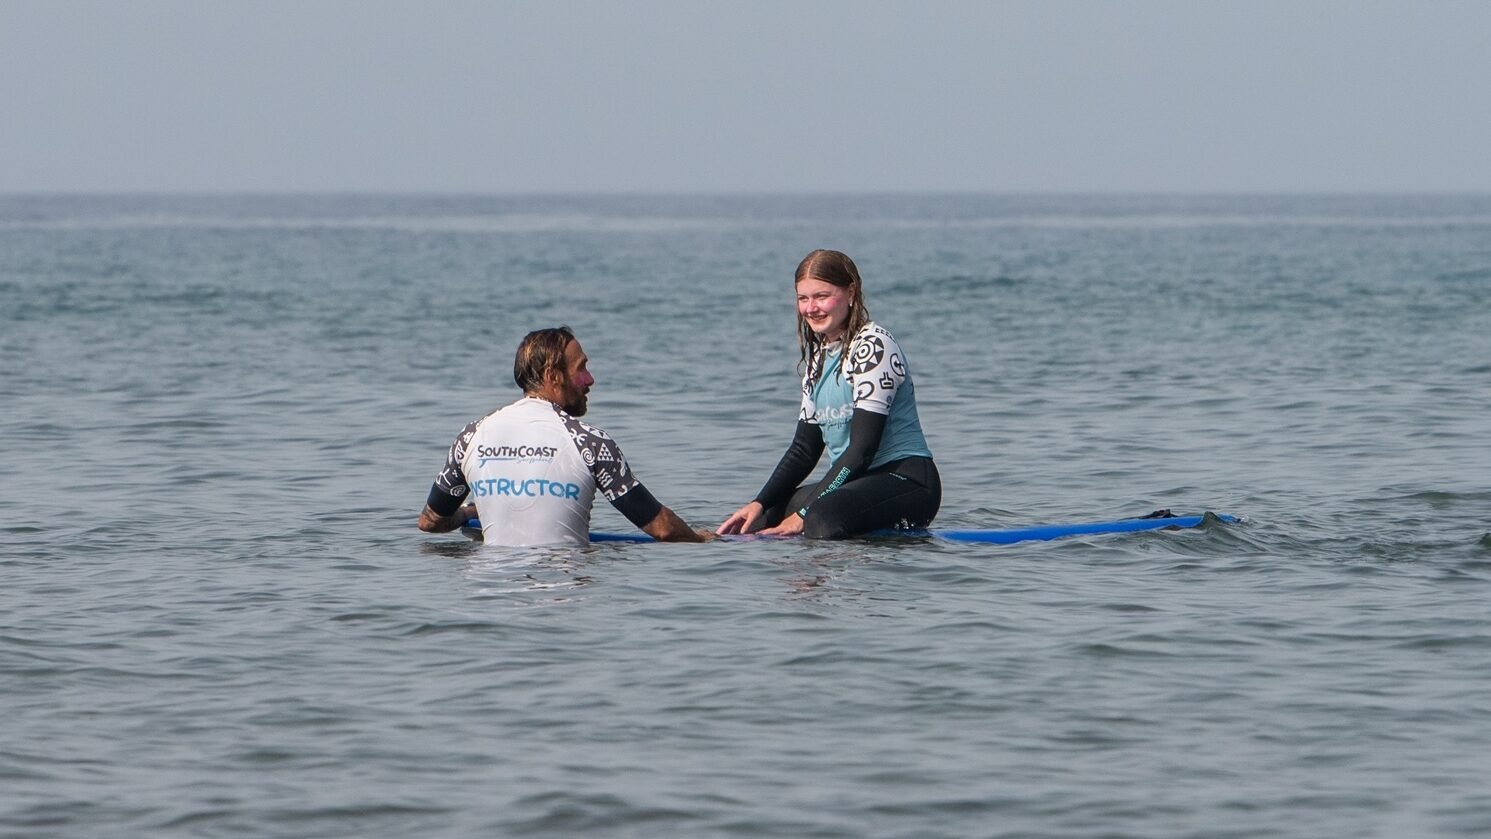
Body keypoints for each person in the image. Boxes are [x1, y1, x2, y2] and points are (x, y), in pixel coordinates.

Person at [718, 249, 941, 540]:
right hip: (856, 483)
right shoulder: (818, 361)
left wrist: (805, 514)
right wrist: (759, 503)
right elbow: (804, 449)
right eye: (803, 299)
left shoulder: (873, 346)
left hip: (906, 481)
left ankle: (845, 580)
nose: (812, 308)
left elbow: (862, 450)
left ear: (851, 292)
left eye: (821, 296)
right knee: (763, 519)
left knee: (820, 518)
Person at [419, 326, 711, 546]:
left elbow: (430, 522)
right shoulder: (590, 443)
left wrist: (469, 513)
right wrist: (704, 540)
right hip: (568, 604)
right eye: (581, 367)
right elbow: (663, 529)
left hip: (490, 597)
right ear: (553, 376)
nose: (590, 379)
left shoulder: (471, 436)